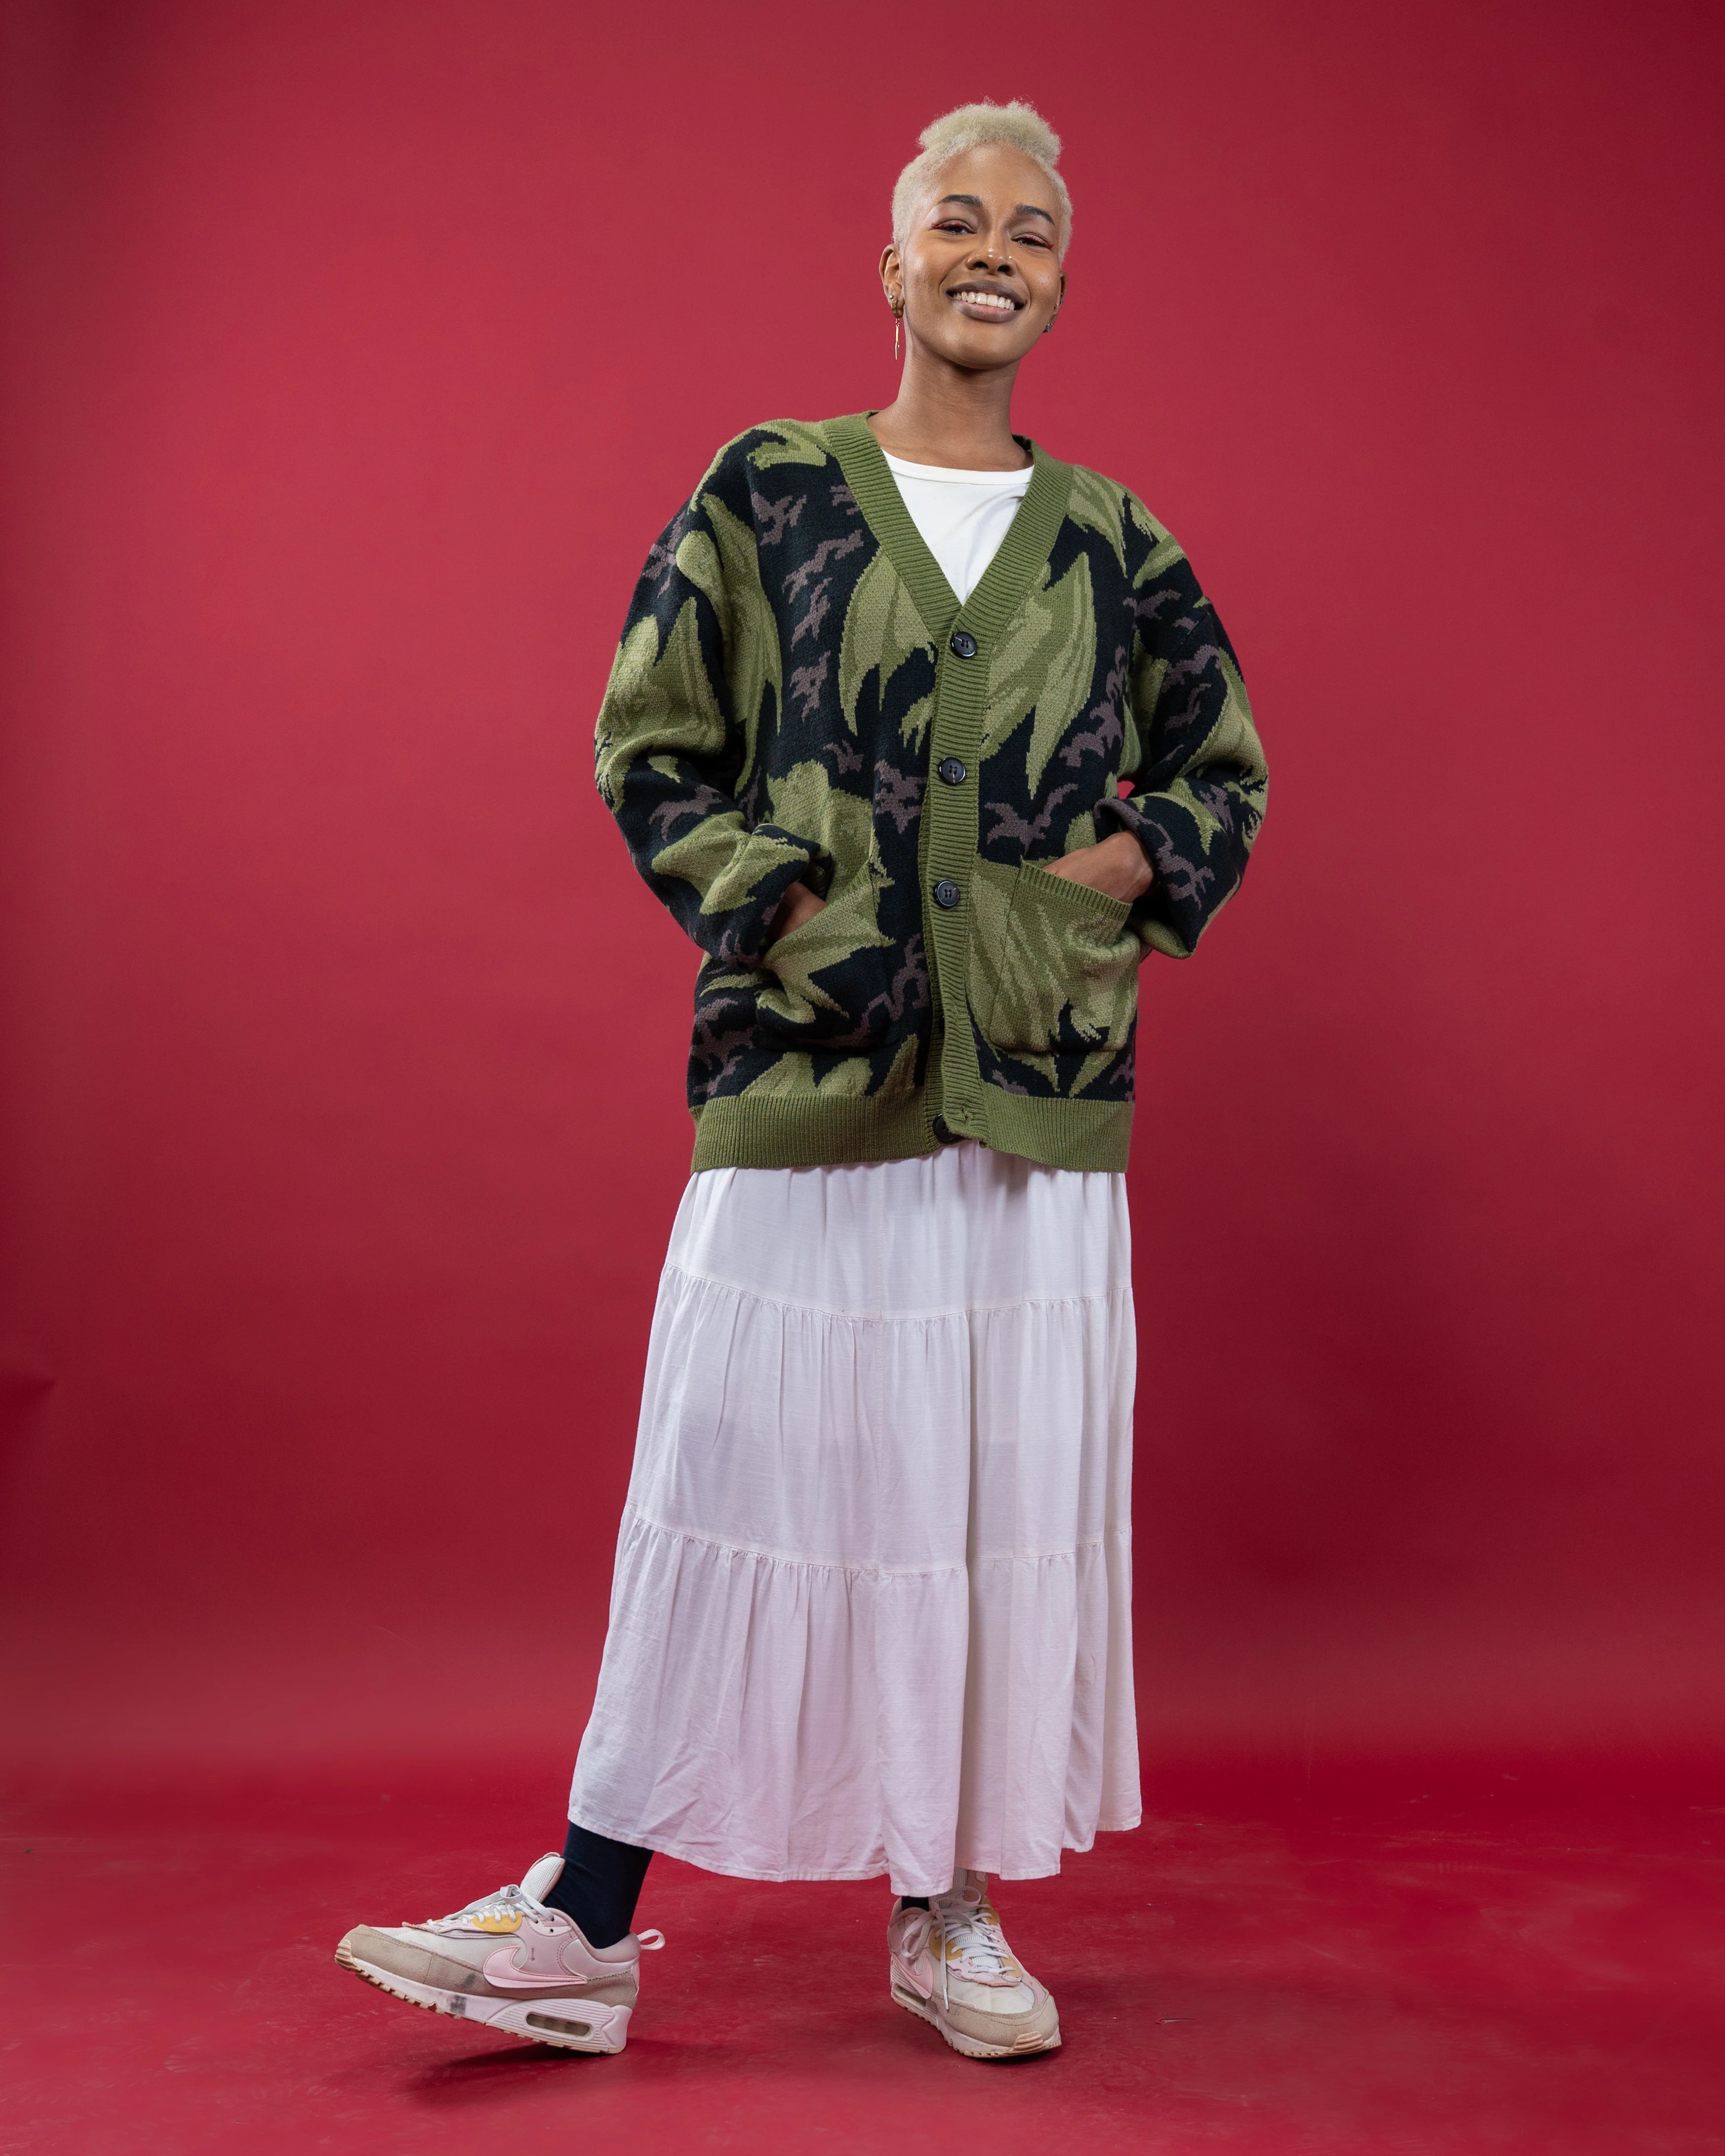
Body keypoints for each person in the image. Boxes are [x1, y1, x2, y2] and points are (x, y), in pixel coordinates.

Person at [336, 99, 1267, 2064]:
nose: (992, 250)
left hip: (1030, 1094)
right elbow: (649, 737)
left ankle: (949, 1908)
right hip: (802, 1060)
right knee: (726, 1467)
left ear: (1061, 281)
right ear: (893, 262)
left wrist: (1098, 891)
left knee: (984, 1494)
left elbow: (1217, 775)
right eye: (958, 219)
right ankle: (585, 1916)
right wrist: (773, 906)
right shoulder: (766, 489)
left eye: (1029, 228)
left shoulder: (1115, 540)